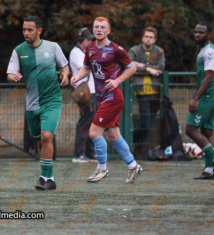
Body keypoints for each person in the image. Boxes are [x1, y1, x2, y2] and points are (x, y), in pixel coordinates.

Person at [71, 17, 142, 184]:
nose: (99, 30)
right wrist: (77, 77)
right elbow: (87, 68)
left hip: (113, 97)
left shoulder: (116, 49)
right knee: (113, 135)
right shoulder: (90, 49)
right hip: (101, 97)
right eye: (96, 27)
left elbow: (132, 67)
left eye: (103, 27)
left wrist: (117, 81)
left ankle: (102, 169)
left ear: (108, 31)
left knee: (94, 132)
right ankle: (133, 165)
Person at [7, 16, 69, 191]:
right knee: (40, 140)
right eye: (24, 30)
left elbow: (64, 66)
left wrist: (65, 75)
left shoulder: (53, 47)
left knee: (47, 136)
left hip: (52, 100)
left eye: (30, 30)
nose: (26, 33)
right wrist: (12, 76)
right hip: (32, 104)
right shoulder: (19, 50)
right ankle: (49, 179)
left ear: (39, 31)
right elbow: (10, 72)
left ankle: (44, 177)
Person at [185, 22, 214, 180]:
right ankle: (210, 170)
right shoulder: (205, 49)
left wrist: (196, 97)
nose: (197, 34)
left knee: (190, 129)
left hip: (209, 95)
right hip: (213, 94)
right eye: (195, 32)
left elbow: (209, 77)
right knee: (207, 131)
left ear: (209, 35)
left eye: (201, 32)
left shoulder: (209, 51)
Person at [128, 27, 165, 157]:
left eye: (151, 37)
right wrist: (149, 69)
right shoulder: (135, 50)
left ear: (154, 40)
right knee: (146, 121)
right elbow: (129, 63)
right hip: (140, 91)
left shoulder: (159, 51)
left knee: (151, 120)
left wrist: (140, 65)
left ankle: (138, 150)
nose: (148, 39)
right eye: (146, 36)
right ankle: (128, 139)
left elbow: (160, 68)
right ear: (142, 38)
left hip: (155, 91)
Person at [69, 27, 97, 163]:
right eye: (88, 39)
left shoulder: (86, 51)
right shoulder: (76, 52)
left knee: (92, 122)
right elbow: (85, 67)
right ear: (81, 40)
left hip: (91, 91)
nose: (91, 41)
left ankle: (89, 152)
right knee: (85, 122)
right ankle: (79, 154)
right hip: (84, 92)